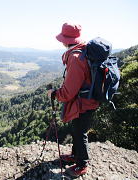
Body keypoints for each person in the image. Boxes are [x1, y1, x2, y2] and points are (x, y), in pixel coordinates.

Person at [48, 22, 99, 177]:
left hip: (84, 102)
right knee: (76, 129)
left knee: (80, 131)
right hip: (86, 99)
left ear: (66, 40)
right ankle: (75, 156)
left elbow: (69, 91)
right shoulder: (82, 50)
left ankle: (82, 164)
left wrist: (55, 94)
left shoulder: (76, 58)